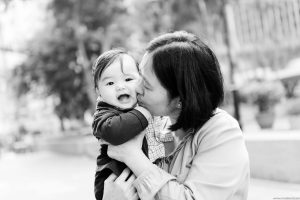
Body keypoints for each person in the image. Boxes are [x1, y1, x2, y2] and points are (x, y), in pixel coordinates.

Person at [104, 31, 250, 200]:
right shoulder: (153, 127)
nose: (136, 88)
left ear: (180, 98)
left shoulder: (222, 132)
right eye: (139, 76)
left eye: (147, 85)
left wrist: (131, 155)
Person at [92, 49, 173, 200]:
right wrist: (144, 113)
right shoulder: (103, 114)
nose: (120, 86)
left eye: (128, 79)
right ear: (99, 91)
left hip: (140, 179)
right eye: (110, 83)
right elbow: (113, 131)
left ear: (140, 81)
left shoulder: (146, 105)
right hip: (114, 181)